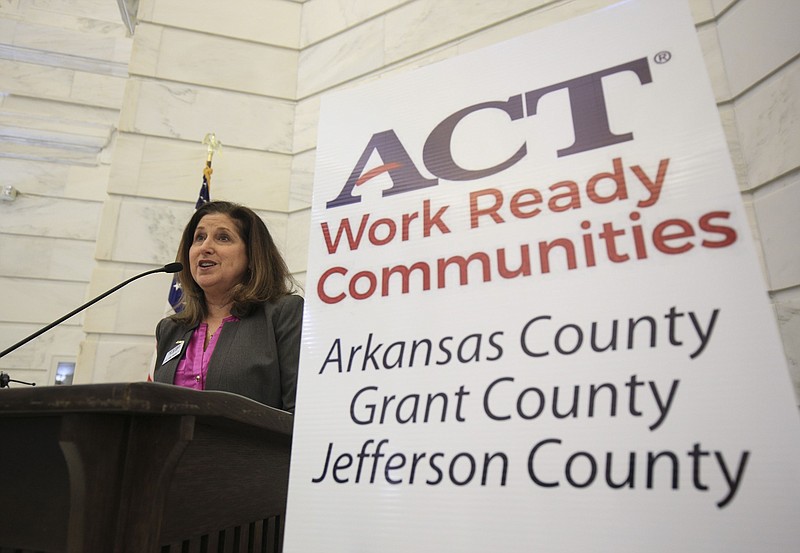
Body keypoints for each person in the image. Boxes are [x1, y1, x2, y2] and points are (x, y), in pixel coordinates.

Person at [152, 201, 303, 412]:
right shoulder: (169, 329)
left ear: (252, 256)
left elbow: (298, 411)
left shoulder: (282, 314)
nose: (205, 247)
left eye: (223, 238)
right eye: (199, 238)